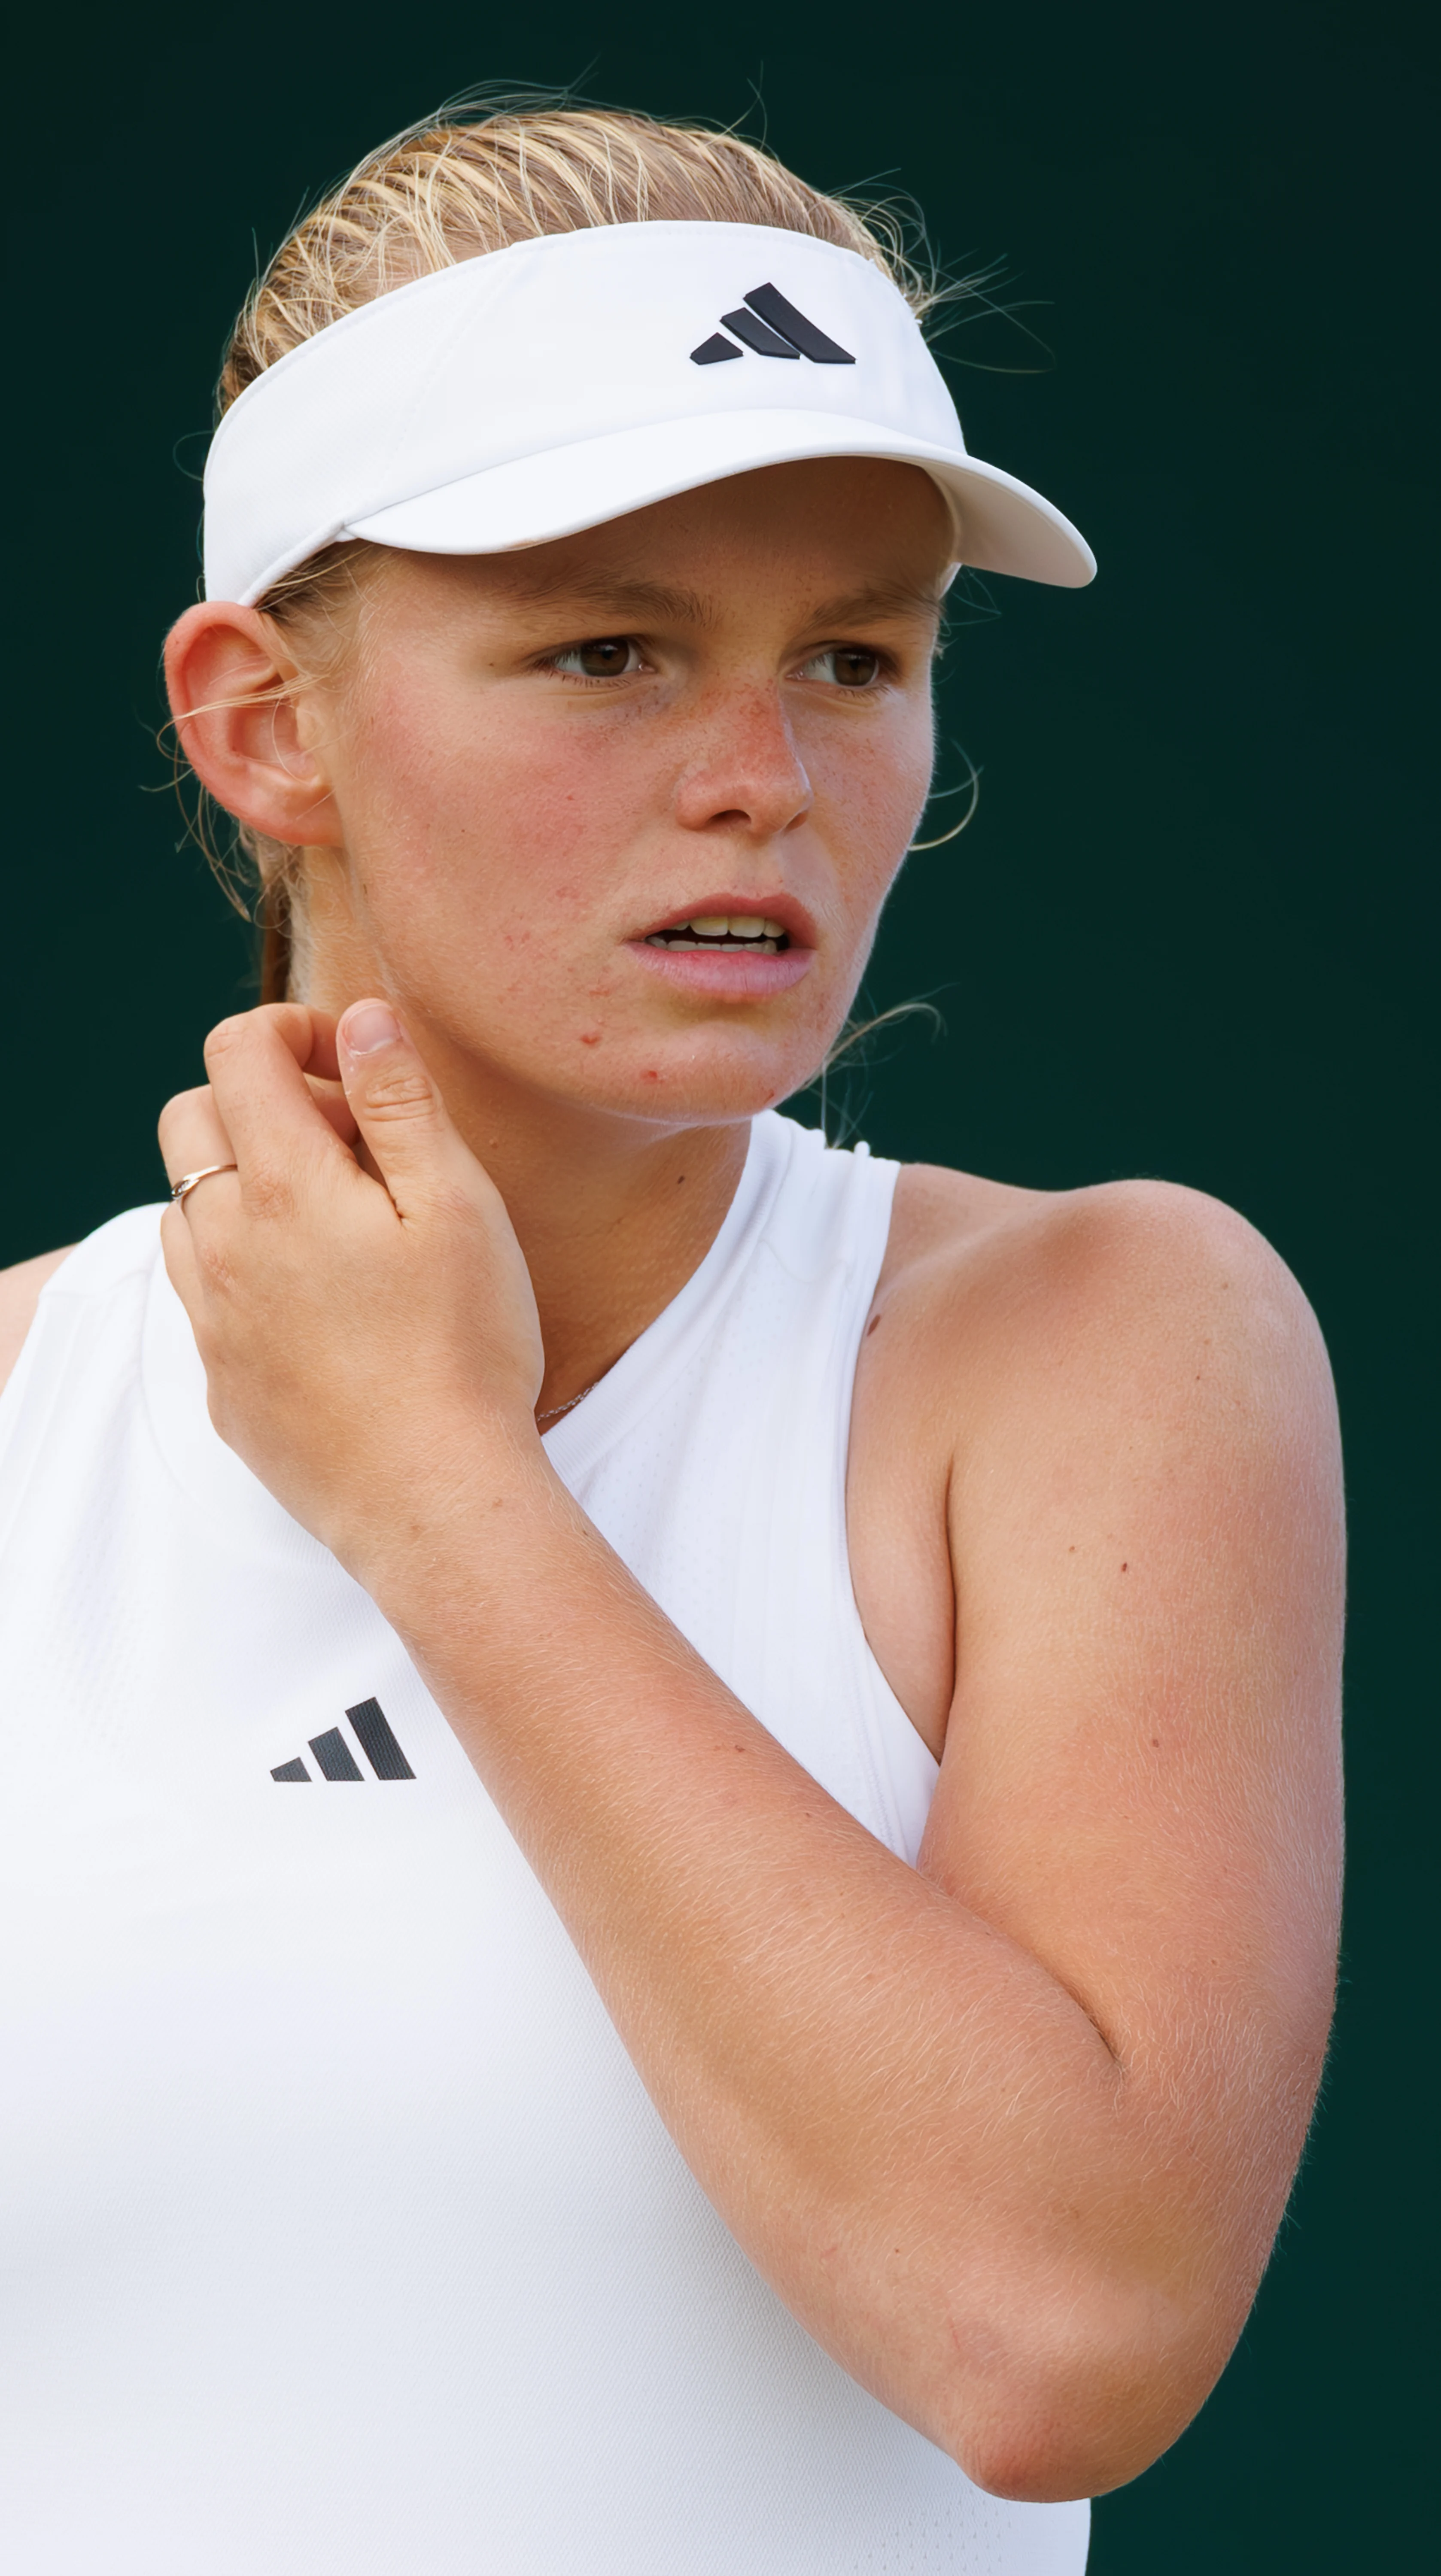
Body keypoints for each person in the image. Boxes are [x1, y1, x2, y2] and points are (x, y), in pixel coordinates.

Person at [0, 106, 1343, 2576]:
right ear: (265, 720)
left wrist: (430, 1478)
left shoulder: (1092, 1340)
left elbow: (1052, 2335)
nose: (765, 783)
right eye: (606, 651)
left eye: (852, 657)